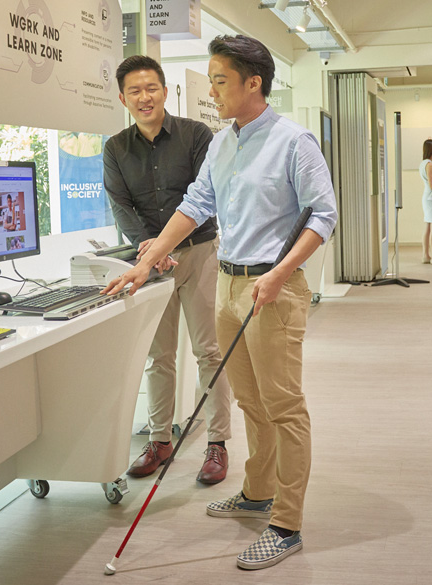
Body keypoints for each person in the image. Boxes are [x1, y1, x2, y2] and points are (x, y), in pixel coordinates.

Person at [103, 36, 337, 570]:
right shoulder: (222, 142)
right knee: (252, 404)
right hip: (229, 285)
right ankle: (257, 491)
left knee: (284, 407)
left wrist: (280, 274)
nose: (210, 91)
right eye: (209, 80)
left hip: (271, 289)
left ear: (253, 83)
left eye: (219, 80)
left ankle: (287, 524)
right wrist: (146, 260)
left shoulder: (293, 141)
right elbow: (195, 204)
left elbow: (322, 215)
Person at [104, 55, 232, 484]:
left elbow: (203, 196)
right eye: (135, 91)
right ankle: (160, 439)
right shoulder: (115, 148)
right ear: (123, 98)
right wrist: (150, 251)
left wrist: (167, 244)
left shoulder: (196, 135)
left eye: (151, 88)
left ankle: (217, 443)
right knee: (158, 356)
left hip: (197, 254)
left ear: (165, 91)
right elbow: (121, 206)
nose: (145, 98)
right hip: (150, 265)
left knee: (209, 351)